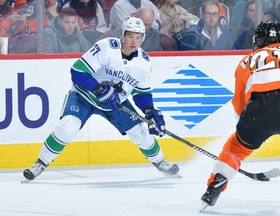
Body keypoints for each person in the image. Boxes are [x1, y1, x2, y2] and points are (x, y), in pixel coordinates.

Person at [22, 16, 180, 182]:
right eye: (130, 36)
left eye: (138, 37)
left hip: (115, 103)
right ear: (123, 35)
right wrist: (98, 89)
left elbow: (141, 93)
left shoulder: (144, 62)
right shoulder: (106, 47)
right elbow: (77, 72)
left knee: (141, 133)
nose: (134, 41)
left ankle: (160, 161)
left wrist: (150, 111)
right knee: (67, 127)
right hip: (84, 96)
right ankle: (40, 163)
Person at [200, 20, 280, 211]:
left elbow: (239, 106)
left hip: (259, 112)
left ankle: (217, 182)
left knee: (236, 147)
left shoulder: (246, 61)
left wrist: (247, 129)